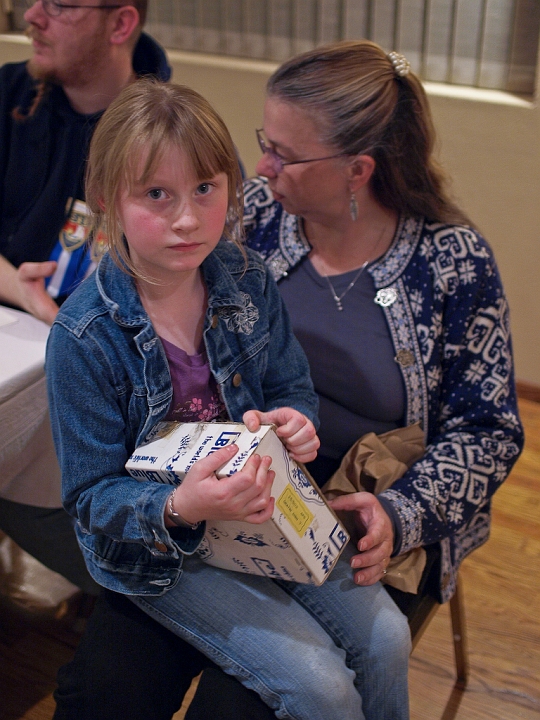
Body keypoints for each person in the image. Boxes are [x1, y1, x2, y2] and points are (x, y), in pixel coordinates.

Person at [51, 40, 525, 720]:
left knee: (370, 646)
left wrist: (399, 510)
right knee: (153, 689)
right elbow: (98, 492)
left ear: (358, 170)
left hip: (342, 498)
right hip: (197, 514)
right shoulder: (248, 221)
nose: (261, 170)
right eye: (261, 143)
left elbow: (488, 430)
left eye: (285, 154)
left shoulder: (448, 262)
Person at [0, 1, 169, 595]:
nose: (31, 18)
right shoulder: (10, 94)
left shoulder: (165, 135)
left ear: (120, 24)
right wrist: (12, 281)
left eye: (59, 5)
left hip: (106, 381)